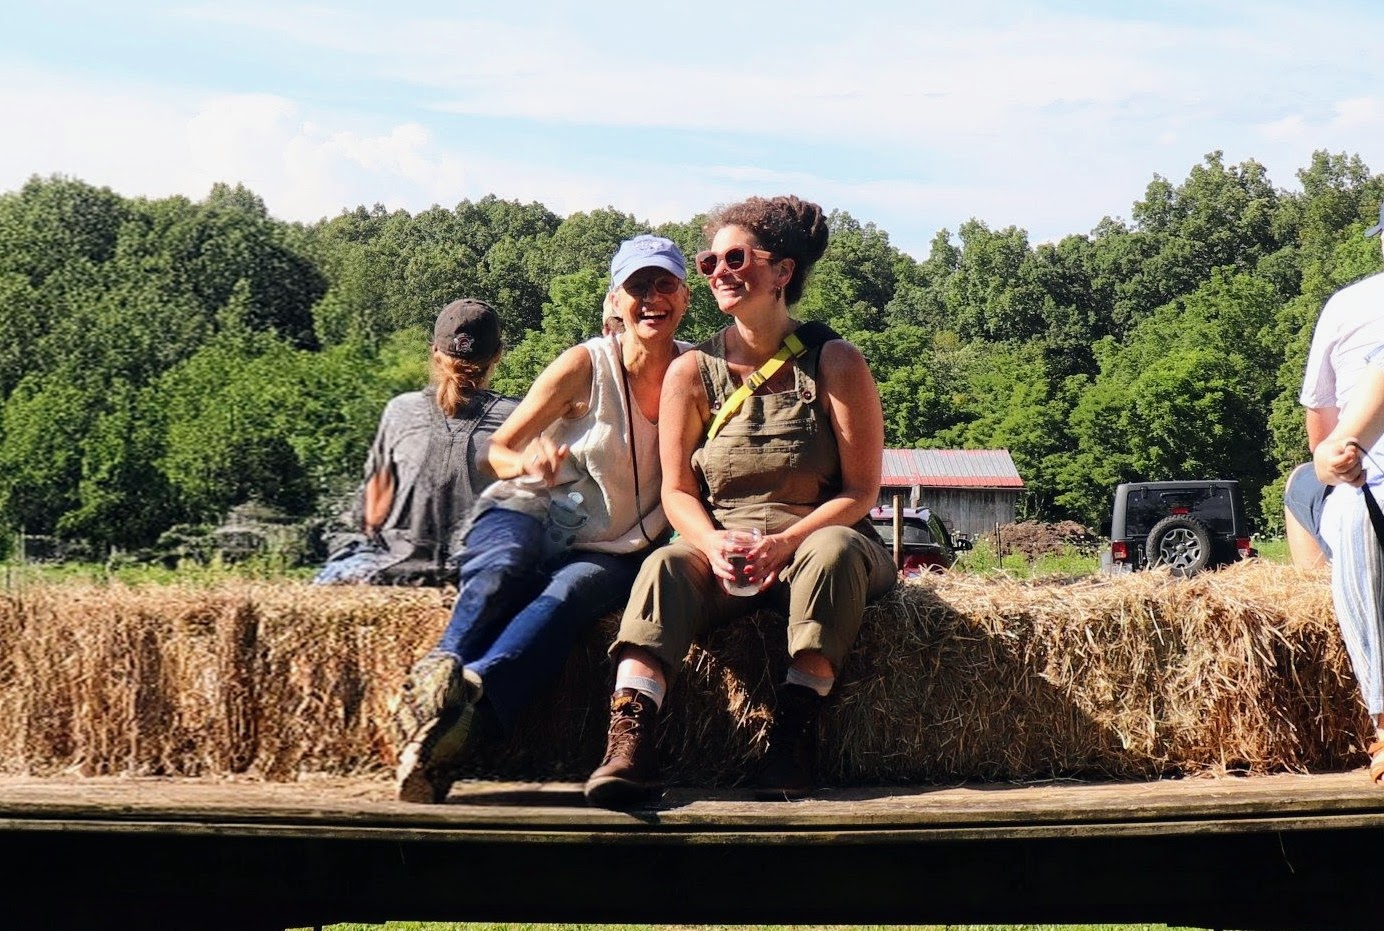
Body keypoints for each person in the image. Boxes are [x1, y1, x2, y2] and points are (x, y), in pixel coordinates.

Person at [583, 195, 897, 810]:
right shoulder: (691, 371)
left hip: (819, 544)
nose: (719, 271)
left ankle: (794, 735)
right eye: (708, 262)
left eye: (735, 257)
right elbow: (677, 492)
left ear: (781, 272)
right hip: (726, 549)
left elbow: (862, 493)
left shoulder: (836, 361)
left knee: (832, 550)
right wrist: (711, 544)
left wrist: (785, 542)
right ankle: (629, 742)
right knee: (664, 566)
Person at [390, 234, 692, 803]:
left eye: (664, 284)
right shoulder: (584, 365)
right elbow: (499, 449)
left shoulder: (695, 372)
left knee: (567, 594)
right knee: (505, 566)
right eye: (637, 286)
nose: (651, 297)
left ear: (685, 296)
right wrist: (530, 460)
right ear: (615, 300)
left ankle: (464, 710)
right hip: (531, 514)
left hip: (614, 549)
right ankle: (440, 669)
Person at [313, 299, 517, 586]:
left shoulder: (400, 409)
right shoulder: (519, 416)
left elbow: (372, 512)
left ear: (435, 351)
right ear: (497, 355)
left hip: (395, 567)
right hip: (476, 571)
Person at [1285, 198, 1384, 570]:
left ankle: (1316, 608)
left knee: (1303, 479)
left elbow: (1324, 443)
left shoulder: (1346, 306)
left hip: (1368, 500)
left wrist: (1335, 457)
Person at [1311, 344, 1384, 786]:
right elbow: (1327, 451)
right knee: (1355, 512)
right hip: (1371, 495)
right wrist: (1335, 458)